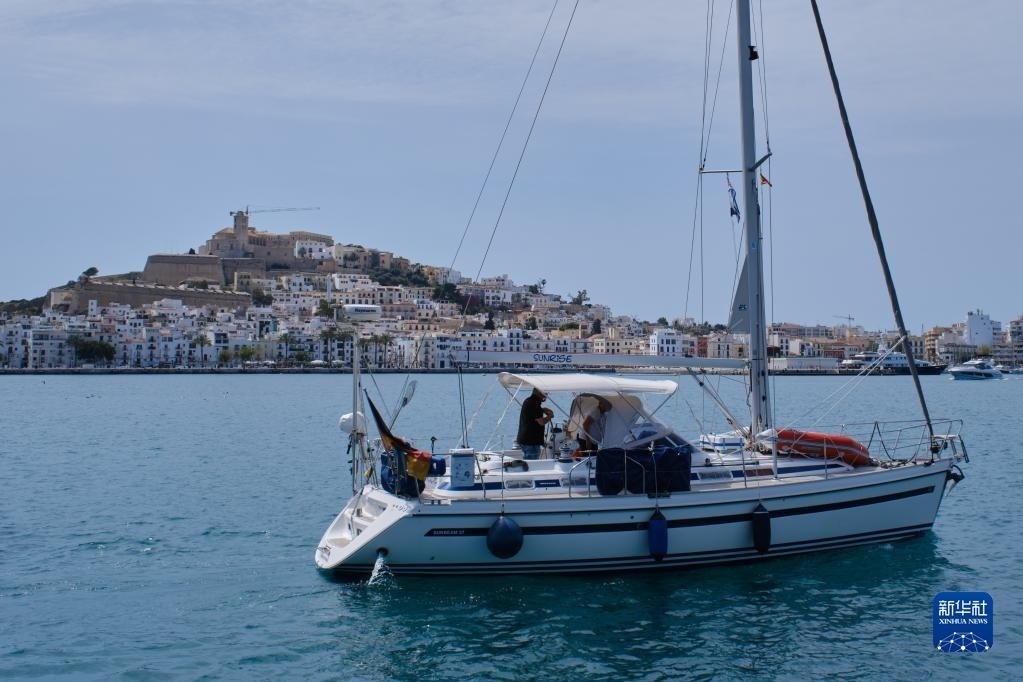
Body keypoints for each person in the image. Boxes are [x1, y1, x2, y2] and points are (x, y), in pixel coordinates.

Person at [516, 387, 554, 460]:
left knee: (528, 462)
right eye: (545, 393)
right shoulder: (534, 403)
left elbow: (532, 415)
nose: (546, 395)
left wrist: (542, 410)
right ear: (539, 392)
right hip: (531, 442)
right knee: (531, 464)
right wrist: (550, 416)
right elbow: (541, 422)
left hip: (525, 440)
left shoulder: (528, 401)